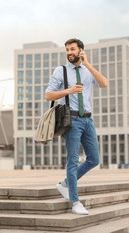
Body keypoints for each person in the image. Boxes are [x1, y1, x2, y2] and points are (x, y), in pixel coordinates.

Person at [45, 38, 107, 215]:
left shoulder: (87, 70)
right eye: (67, 50)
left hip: (88, 120)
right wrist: (68, 91)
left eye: (72, 49)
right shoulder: (61, 70)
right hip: (71, 120)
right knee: (72, 160)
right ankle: (75, 202)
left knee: (94, 159)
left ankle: (64, 184)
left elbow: (104, 83)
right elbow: (48, 95)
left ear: (81, 51)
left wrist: (88, 64)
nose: (69, 52)